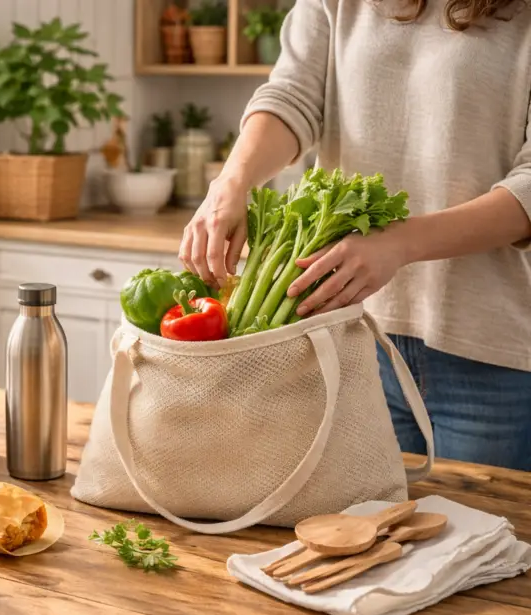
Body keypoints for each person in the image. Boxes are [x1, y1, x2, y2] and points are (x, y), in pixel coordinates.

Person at [178, 0, 531, 471]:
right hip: (348, 336)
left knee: (487, 542)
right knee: (357, 534)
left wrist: (399, 243)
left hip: (488, 350)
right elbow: (293, 97)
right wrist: (232, 183)